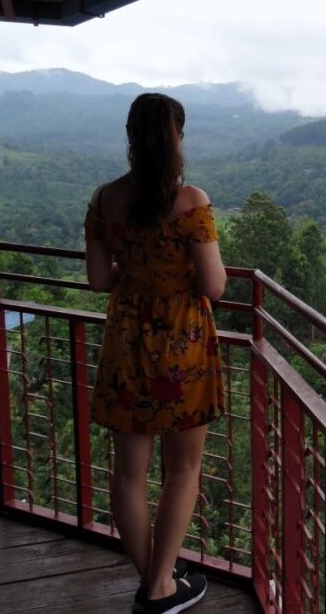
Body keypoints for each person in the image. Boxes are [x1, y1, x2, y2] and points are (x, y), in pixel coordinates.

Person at [84, 93, 227, 614]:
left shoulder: (103, 200)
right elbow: (213, 286)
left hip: (126, 344)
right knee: (182, 470)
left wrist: (137, 273)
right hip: (181, 346)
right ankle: (162, 586)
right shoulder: (190, 201)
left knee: (128, 474)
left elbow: (100, 279)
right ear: (177, 138)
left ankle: (155, 579)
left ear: (129, 137)